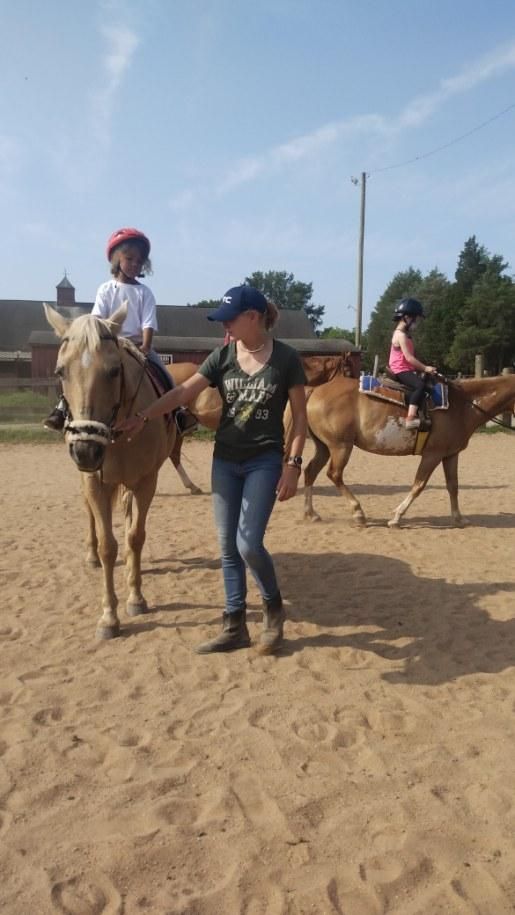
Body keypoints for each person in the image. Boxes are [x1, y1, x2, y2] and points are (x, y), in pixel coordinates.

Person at [116, 284, 308, 655]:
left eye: (230, 319)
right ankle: (234, 625)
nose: (225, 326)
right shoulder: (222, 357)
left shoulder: (286, 359)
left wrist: (293, 465)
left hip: (264, 461)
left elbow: (299, 419)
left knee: (248, 543)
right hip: (225, 462)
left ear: (253, 318)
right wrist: (143, 416)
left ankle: (273, 609)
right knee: (226, 547)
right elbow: (182, 393)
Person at [44, 228, 195, 433]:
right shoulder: (106, 289)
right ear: (117, 259)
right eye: (129, 258)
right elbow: (98, 320)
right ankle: (62, 407)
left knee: (163, 373)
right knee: (79, 371)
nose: (134, 264)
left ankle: (178, 412)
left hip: (137, 344)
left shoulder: (144, 292)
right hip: (110, 344)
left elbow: (148, 323)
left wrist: (146, 347)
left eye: (139, 261)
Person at [388, 297, 437, 430]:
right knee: (419, 386)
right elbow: (409, 358)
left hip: (406, 368)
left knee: (428, 385)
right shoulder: (400, 336)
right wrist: (425, 368)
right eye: (415, 319)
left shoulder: (404, 334)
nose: (416, 323)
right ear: (407, 317)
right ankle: (410, 418)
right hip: (400, 369)